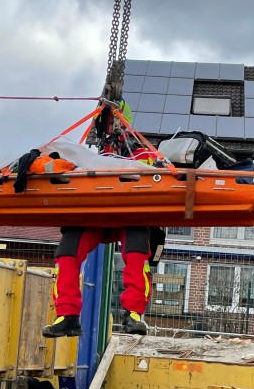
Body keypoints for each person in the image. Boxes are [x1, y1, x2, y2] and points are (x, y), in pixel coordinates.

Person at [43, 90, 168, 339]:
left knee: (136, 253)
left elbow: (162, 172)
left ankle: (133, 314)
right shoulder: (87, 156)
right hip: (94, 214)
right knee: (67, 253)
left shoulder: (143, 156)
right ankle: (67, 315)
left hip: (130, 213)